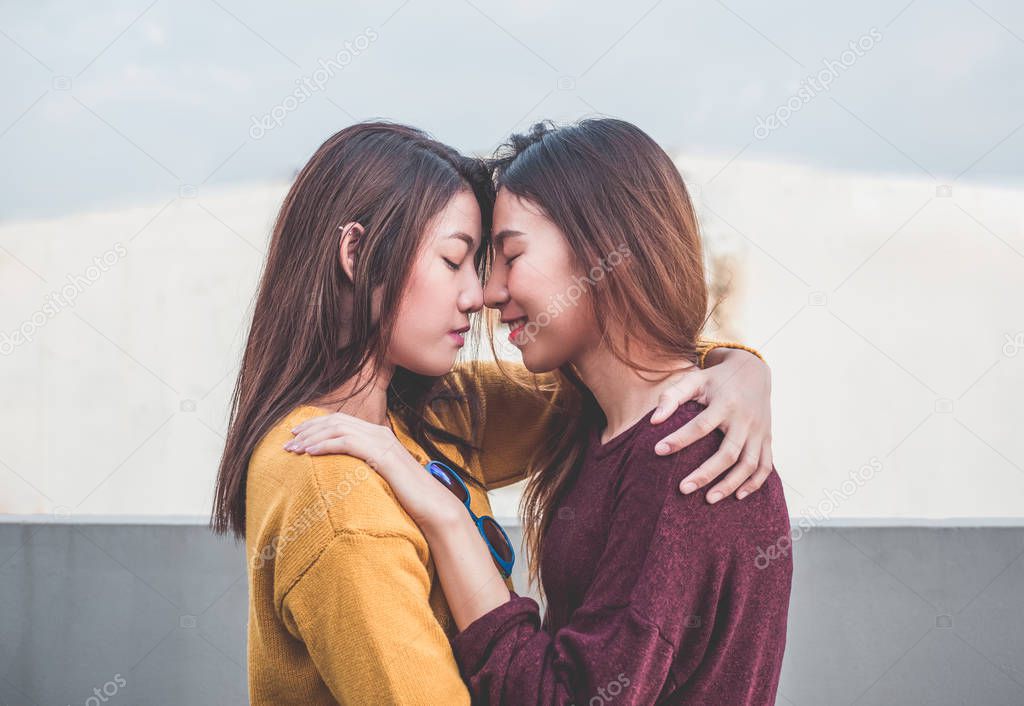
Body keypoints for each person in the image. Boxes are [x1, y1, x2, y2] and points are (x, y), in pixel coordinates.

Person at [213, 121, 774, 705]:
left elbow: (616, 383)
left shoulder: (432, 416)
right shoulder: (334, 489)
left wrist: (737, 370)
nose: (478, 294)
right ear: (356, 253)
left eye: (493, 260)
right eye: (455, 260)